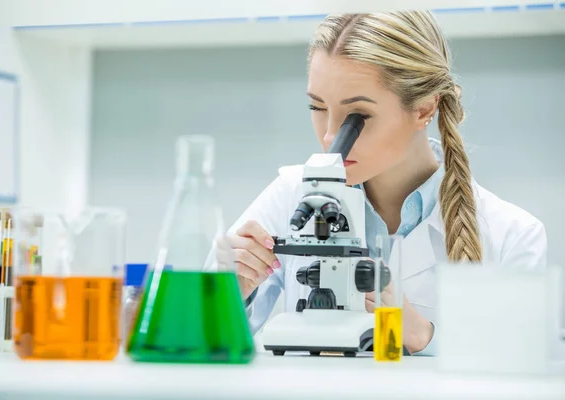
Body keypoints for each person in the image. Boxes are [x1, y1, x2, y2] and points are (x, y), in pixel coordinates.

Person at [210, 10, 547, 356]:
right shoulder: (291, 194)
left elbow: (526, 371)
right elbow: (198, 346)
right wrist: (229, 292)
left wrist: (425, 337)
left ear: (423, 109)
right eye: (317, 106)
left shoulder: (512, 236)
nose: (329, 137)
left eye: (359, 116)